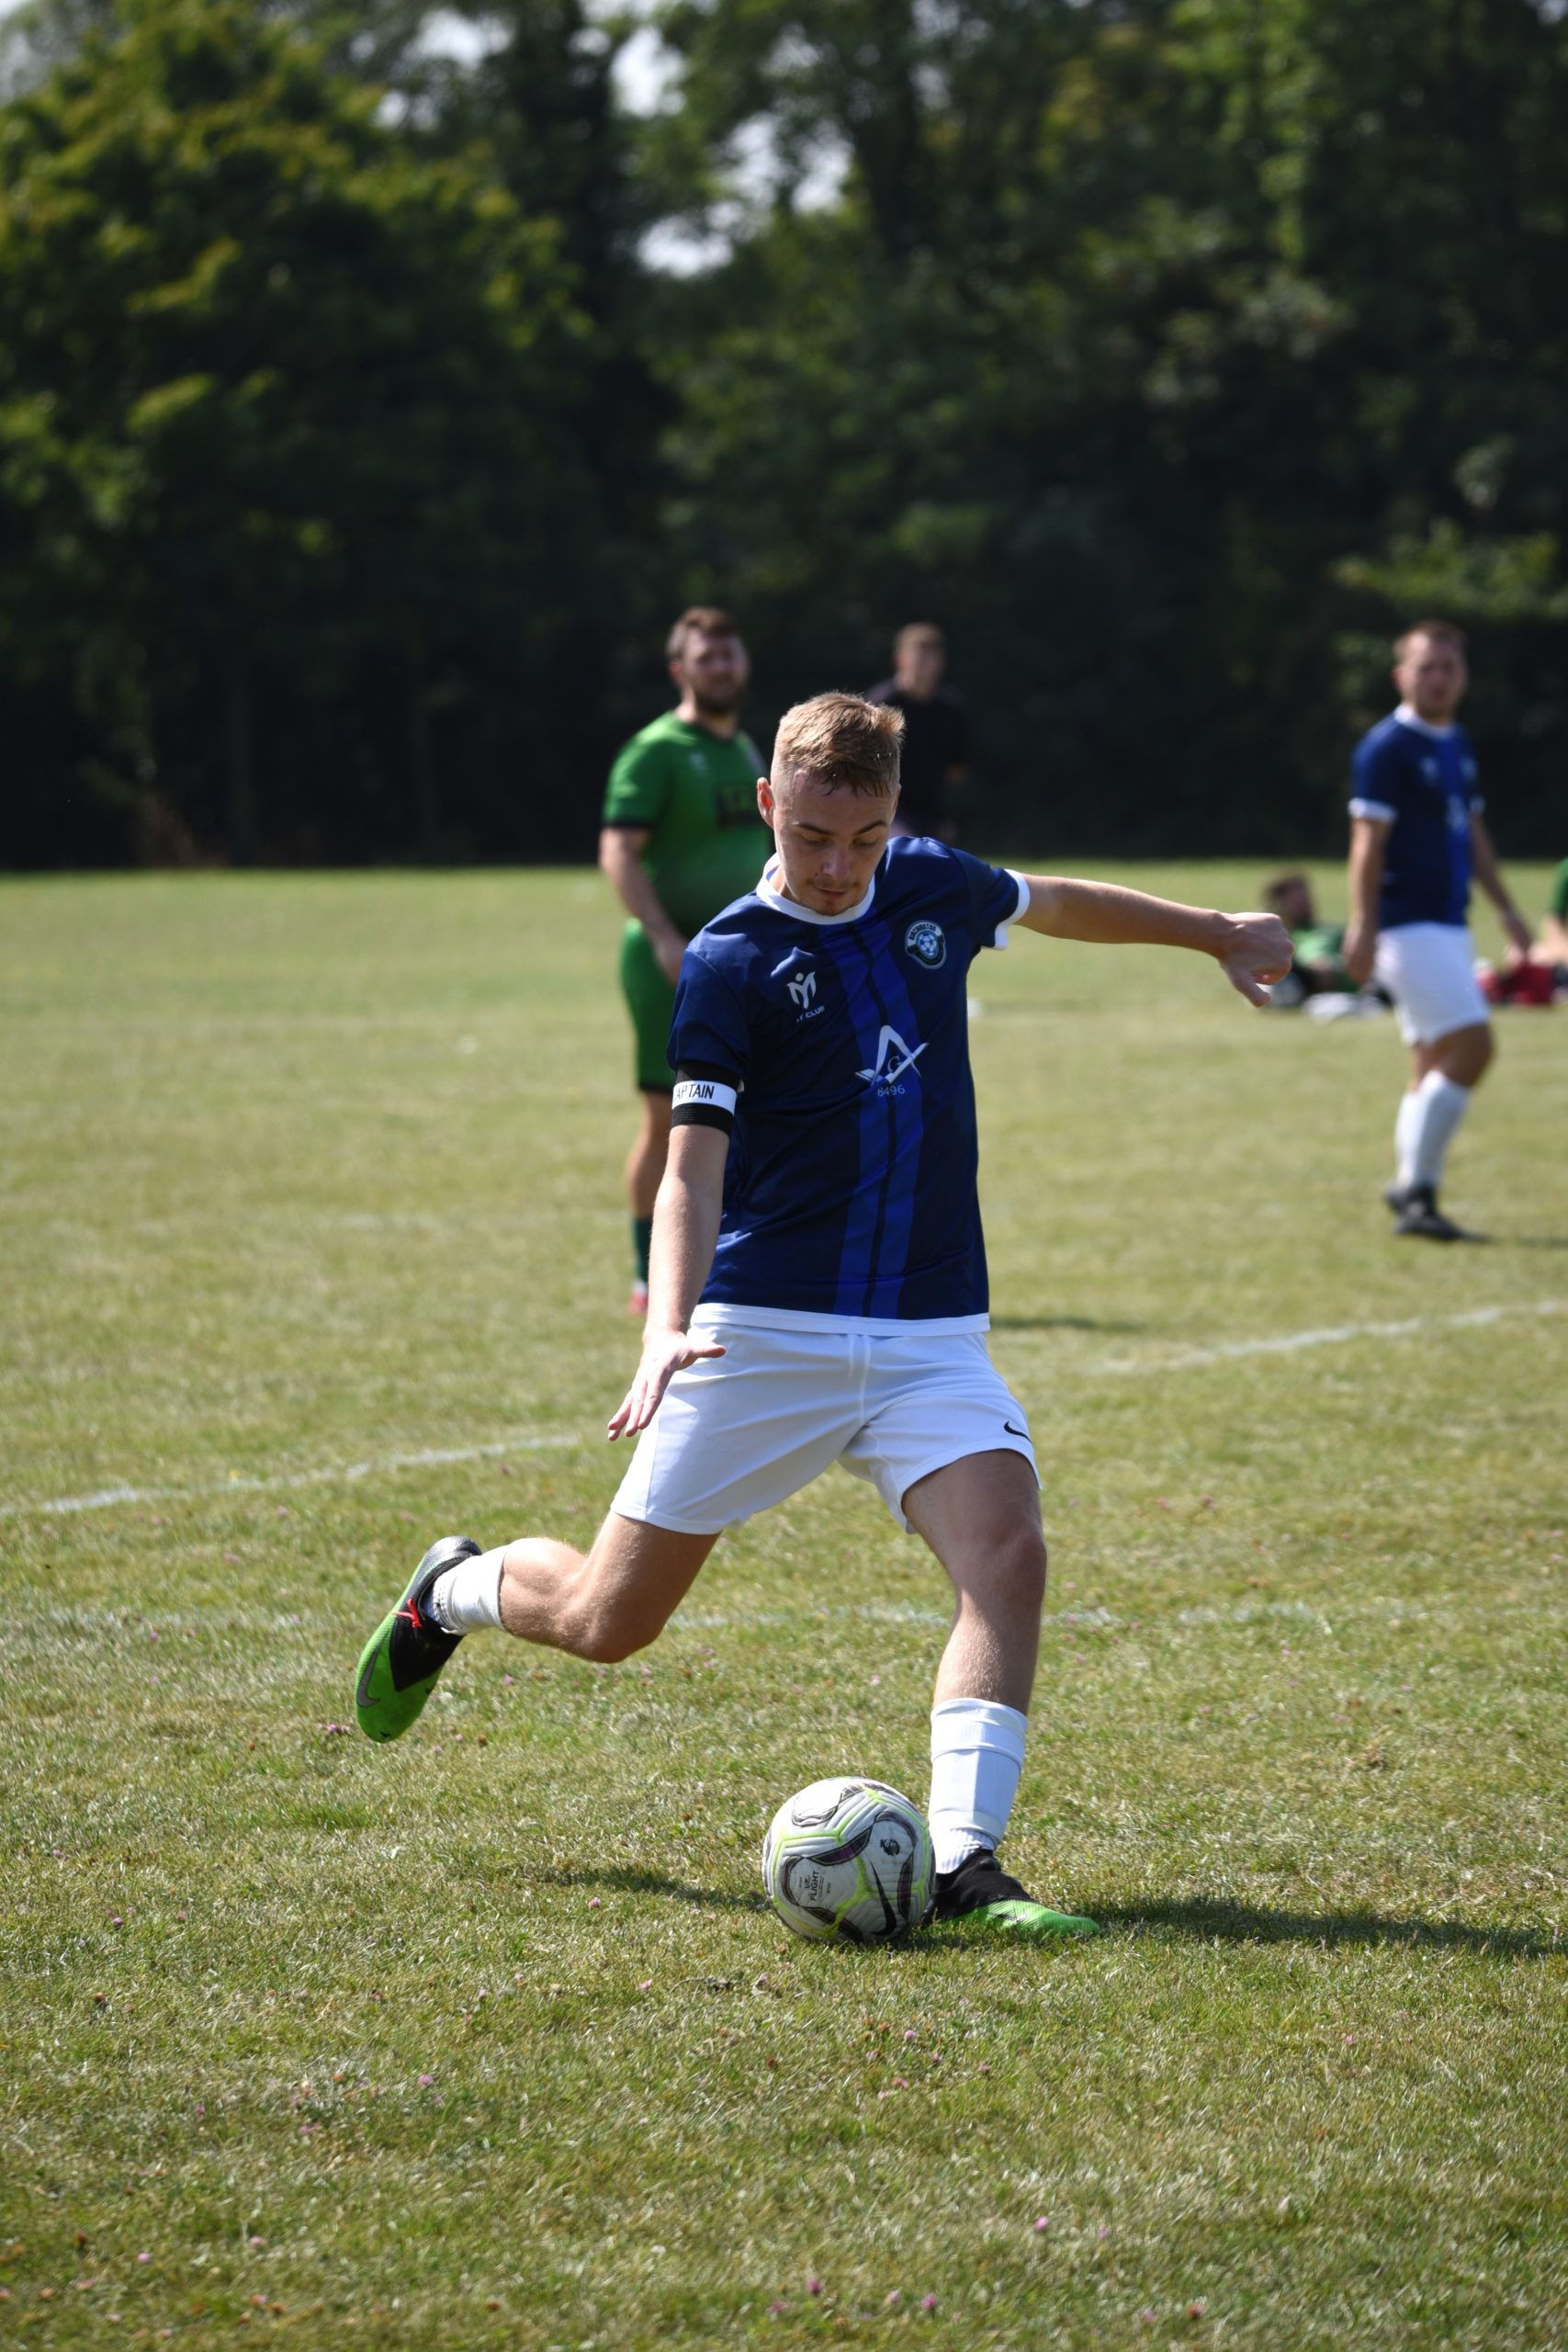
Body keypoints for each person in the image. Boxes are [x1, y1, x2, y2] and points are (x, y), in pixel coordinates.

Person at [356, 694, 1291, 1940]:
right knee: (605, 1623)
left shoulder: (932, 883)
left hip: (926, 1335)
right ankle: (453, 1593)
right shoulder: (730, 958)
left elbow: (1053, 902)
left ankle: (964, 1867)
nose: (839, 866)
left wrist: (1213, 931)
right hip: (760, 1332)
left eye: (863, 837)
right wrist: (663, 1323)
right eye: (810, 837)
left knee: (1007, 1557)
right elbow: (692, 1169)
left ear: (895, 813)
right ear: (767, 805)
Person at [599, 608, 768, 1315]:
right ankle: (650, 1275)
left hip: (744, 960)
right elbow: (618, 850)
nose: (721, 667)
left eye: (730, 654)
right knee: (669, 1115)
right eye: (706, 657)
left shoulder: (747, 749)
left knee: (750, 1112)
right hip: (669, 960)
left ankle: (730, 1260)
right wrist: (665, 936)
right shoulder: (656, 750)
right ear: (679, 670)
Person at [1344, 622, 1532, 1241]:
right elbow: (1367, 843)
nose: (1438, 679)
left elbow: (1471, 831)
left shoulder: (1455, 742)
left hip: (1448, 920)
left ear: (1463, 676)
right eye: (1426, 667)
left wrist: (1505, 908)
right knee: (1473, 1047)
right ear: (1401, 676)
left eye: (1448, 667)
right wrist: (1363, 925)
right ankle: (1415, 1190)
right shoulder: (1387, 747)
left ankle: (1413, 1189)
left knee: (1431, 1059)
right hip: (1407, 923)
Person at [867, 624, 968, 842]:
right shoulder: (882, 703)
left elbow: (957, 767)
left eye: (930, 658)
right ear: (900, 659)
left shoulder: (950, 707)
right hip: (890, 807)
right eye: (919, 658)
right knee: (905, 851)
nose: (924, 666)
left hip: (933, 811)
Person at [1259, 871, 1351, 1003]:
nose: (1306, 902)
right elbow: (1319, 963)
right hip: (1315, 975)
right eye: (1297, 899)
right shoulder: (1284, 936)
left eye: (1306, 896)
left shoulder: (1330, 928)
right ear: (1280, 904)